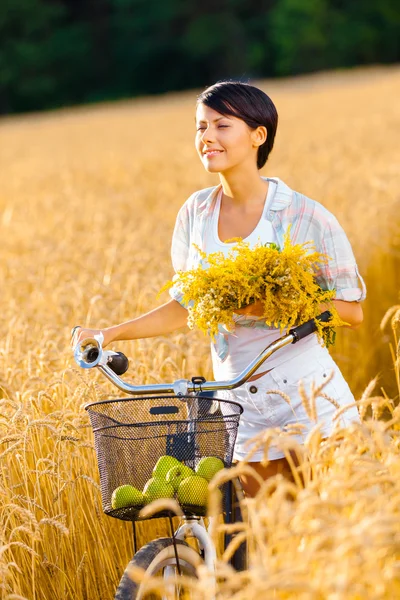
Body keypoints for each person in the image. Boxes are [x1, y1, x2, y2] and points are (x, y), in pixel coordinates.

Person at [72, 81, 366, 497]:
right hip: (239, 402)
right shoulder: (196, 213)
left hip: (308, 394)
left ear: (257, 136)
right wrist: (110, 334)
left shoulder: (304, 217)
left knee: (338, 524)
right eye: (200, 127)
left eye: (221, 125)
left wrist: (278, 306)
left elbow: (352, 312)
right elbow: (186, 305)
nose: (206, 137)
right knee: (265, 540)